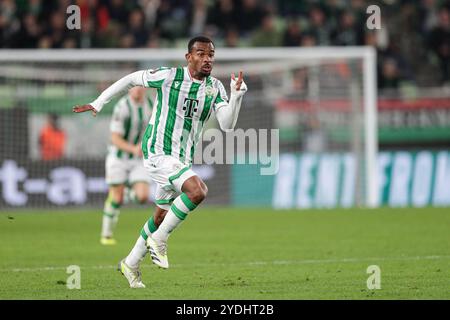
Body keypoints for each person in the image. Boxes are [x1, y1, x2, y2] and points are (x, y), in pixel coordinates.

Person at [73, 36, 247, 288]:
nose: (207, 59)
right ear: (189, 57)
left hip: (182, 157)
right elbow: (132, 79)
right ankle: (161, 239)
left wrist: (236, 96)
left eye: (210, 54)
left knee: (160, 215)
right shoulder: (169, 76)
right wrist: (100, 101)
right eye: (200, 53)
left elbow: (227, 126)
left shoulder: (216, 87)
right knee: (198, 190)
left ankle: (130, 264)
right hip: (157, 151)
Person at [100, 86, 154, 246]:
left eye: (140, 87)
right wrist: (133, 148)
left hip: (139, 158)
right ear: (129, 90)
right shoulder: (121, 107)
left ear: (145, 89)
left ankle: (126, 192)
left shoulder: (152, 105)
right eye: (133, 88)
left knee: (143, 197)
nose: (137, 91)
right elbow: (115, 138)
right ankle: (106, 235)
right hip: (119, 157)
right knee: (116, 198)